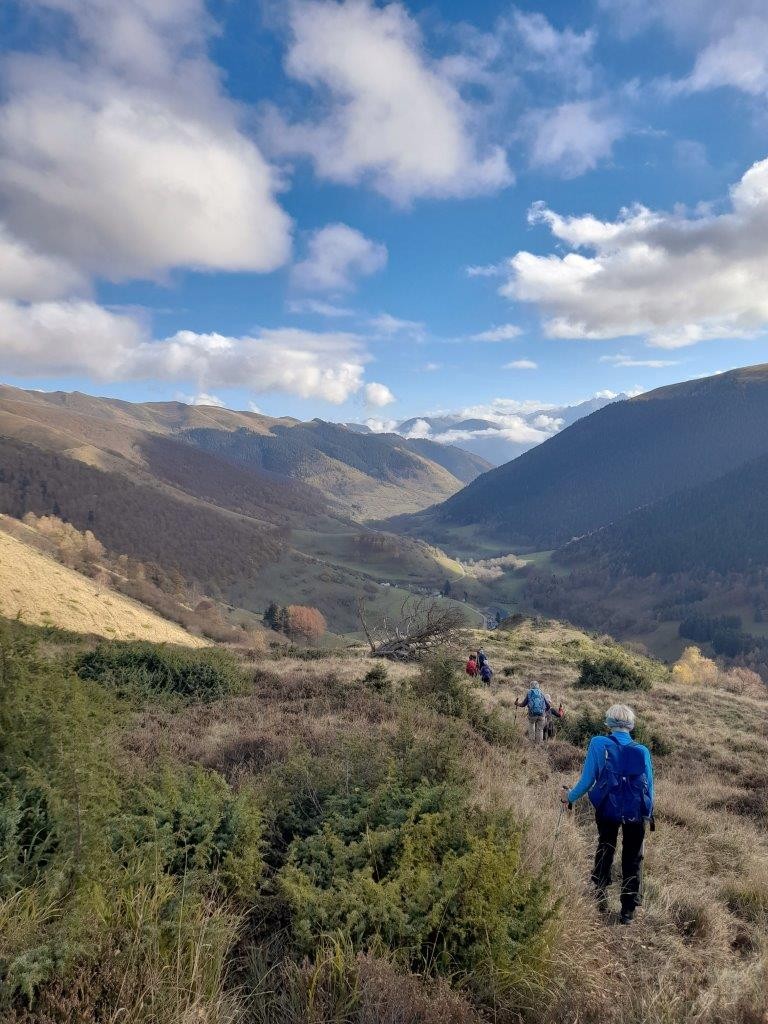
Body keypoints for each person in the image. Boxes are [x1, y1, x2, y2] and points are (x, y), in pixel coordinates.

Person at [562, 704, 654, 926]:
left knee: (605, 847)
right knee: (633, 858)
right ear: (631, 725)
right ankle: (628, 911)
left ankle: (601, 894)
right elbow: (649, 787)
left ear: (609, 723)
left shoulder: (598, 743)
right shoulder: (642, 750)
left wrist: (570, 797)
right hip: (635, 812)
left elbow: (587, 780)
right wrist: (647, 814)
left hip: (607, 808)